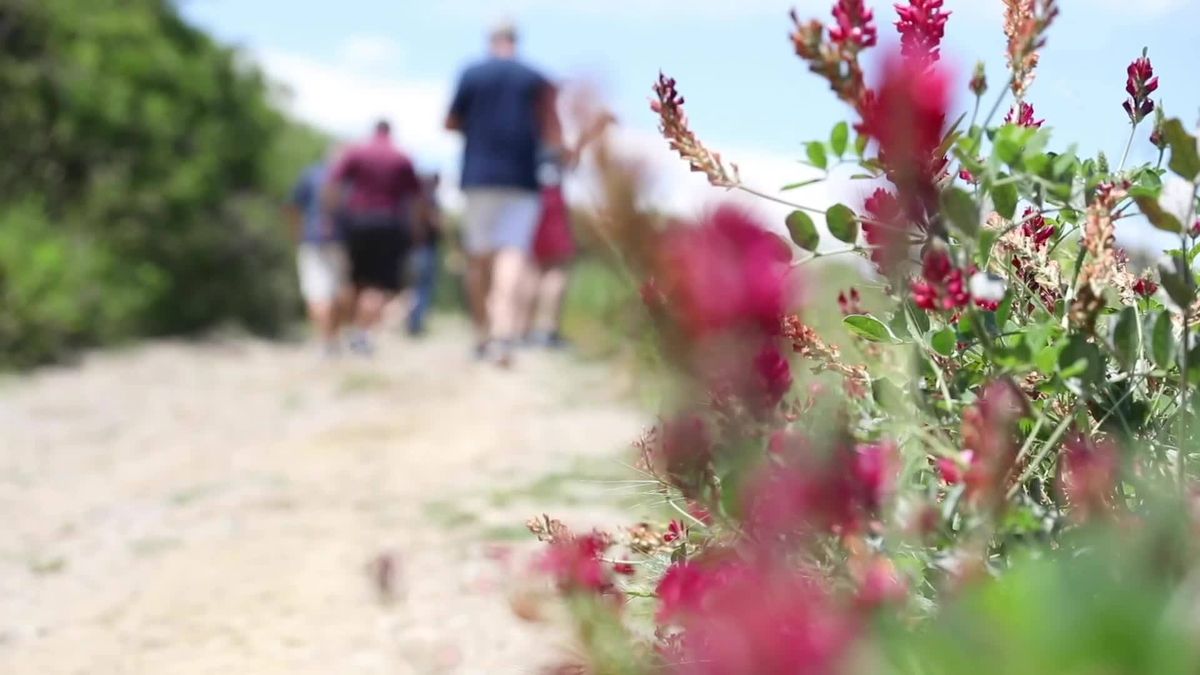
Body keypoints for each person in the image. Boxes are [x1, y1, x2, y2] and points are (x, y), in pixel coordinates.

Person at [445, 20, 561, 367]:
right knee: (513, 254)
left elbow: (450, 123)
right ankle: (503, 334)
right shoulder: (536, 78)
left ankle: (482, 333)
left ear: (491, 40)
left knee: (478, 258)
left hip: (478, 176)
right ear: (516, 41)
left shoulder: (471, 73)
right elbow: (553, 131)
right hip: (523, 179)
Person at [324, 120, 421, 356]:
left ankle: (341, 332)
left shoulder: (356, 152)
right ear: (390, 132)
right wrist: (417, 231)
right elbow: (417, 199)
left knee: (352, 280)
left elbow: (333, 184)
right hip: (388, 224)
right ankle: (361, 333)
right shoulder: (402, 157)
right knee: (377, 284)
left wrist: (329, 219)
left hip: (356, 223)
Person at [522, 111, 616, 348]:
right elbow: (571, 158)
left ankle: (521, 329)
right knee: (556, 266)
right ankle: (546, 330)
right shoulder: (550, 139)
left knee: (532, 267)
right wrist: (594, 129)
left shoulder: (521, 138)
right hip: (550, 202)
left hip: (526, 203)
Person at [287, 154, 349, 356]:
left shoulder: (311, 174)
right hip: (343, 241)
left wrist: (296, 235)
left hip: (312, 240)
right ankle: (334, 339)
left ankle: (324, 341)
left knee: (316, 294)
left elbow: (292, 206)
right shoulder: (350, 179)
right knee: (339, 292)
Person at [406, 172, 443, 336]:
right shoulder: (429, 200)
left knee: (415, 288)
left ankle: (413, 323)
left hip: (414, 249)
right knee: (423, 288)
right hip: (425, 249)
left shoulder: (413, 199)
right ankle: (416, 324)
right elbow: (436, 224)